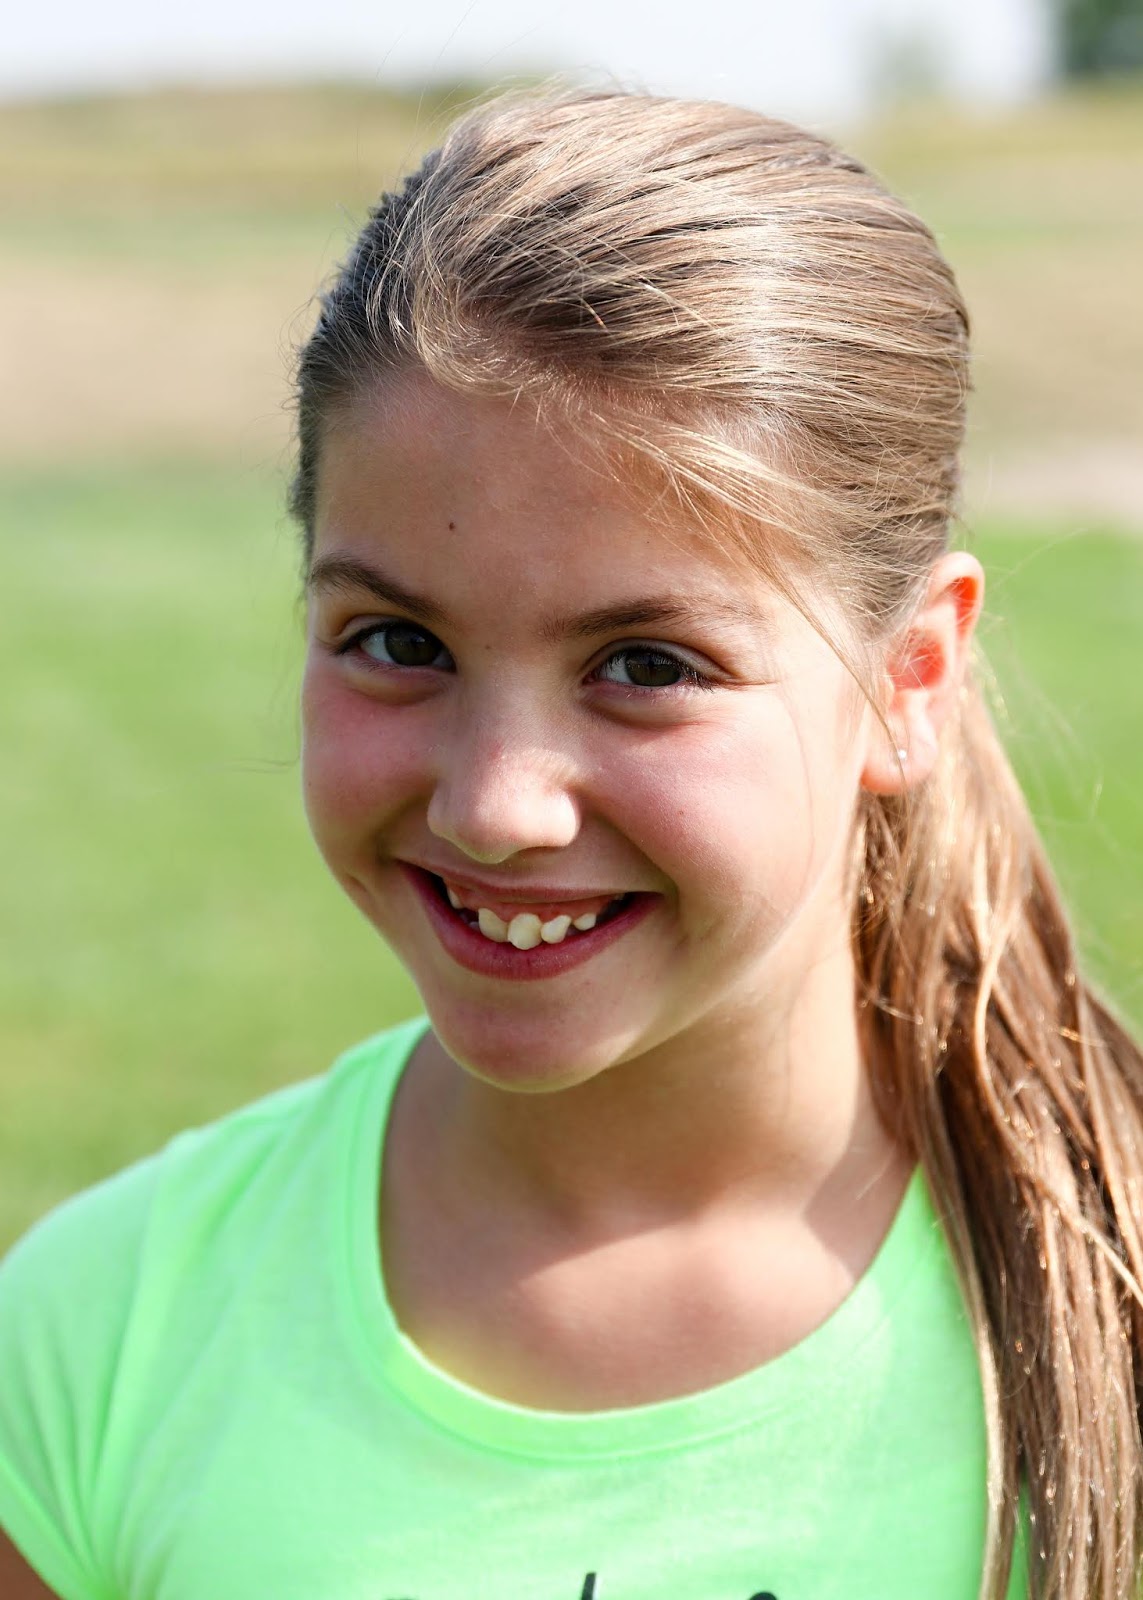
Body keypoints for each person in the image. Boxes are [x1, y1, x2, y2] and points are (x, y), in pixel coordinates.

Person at [1, 87, 1140, 1600]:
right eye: (396, 641)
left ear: (907, 678)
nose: (495, 805)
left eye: (647, 666)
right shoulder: (100, 1340)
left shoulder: (1108, 1314)